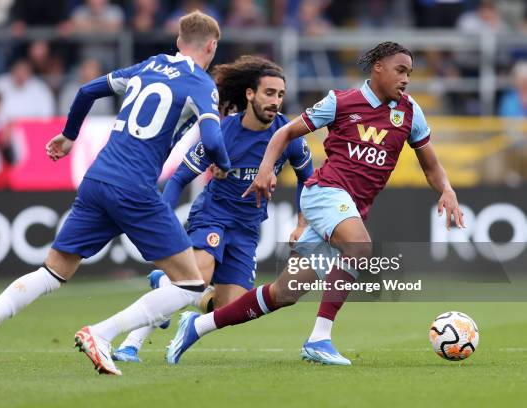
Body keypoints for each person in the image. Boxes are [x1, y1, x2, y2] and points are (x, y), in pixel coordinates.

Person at [0, 11, 230, 377]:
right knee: (191, 285)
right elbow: (214, 139)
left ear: (177, 42)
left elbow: (86, 90)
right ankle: (102, 334)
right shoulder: (202, 84)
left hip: (97, 179)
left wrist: (69, 135)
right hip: (135, 187)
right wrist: (223, 164)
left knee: (52, 271)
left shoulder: (149, 65)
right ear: (211, 46)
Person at [166, 41, 465, 366]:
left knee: (285, 293)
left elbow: (431, 164)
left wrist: (446, 189)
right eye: (400, 70)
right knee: (360, 247)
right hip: (325, 192)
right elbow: (285, 134)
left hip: (351, 205)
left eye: (409, 72)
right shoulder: (341, 102)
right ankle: (319, 339)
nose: (406, 79)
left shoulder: (409, 112)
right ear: (378, 67)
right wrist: (266, 170)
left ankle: (197, 326)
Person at [112, 55, 313, 363]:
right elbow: (179, 178)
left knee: (229, 308)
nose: (276, 101)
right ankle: (130, 344)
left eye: (280, 95)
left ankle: (165, 284)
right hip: (213, 216)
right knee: (194, 279)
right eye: (269, 93)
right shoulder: (222, 134)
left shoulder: (290, 136)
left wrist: (301, 224)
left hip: (247, 228)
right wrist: (164, 222)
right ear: (250, 94)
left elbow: (307, 180)